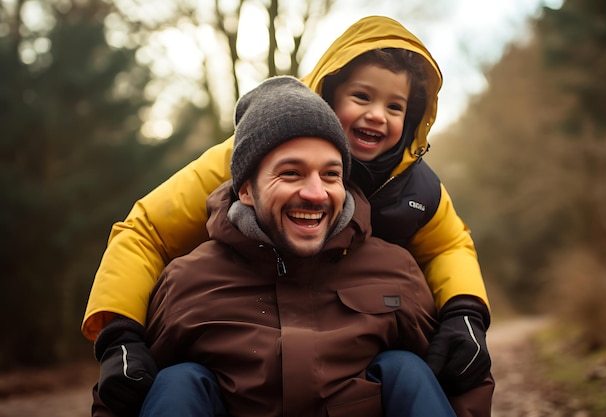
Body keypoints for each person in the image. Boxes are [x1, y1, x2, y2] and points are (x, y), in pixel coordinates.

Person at [85, 15, 493, 416]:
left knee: (406, 367)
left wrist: (465, 314)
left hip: (354, 342)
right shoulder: (248, 156)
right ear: (327, 96)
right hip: (256, 320)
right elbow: (146, 232)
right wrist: (120, 335)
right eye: (362, 97)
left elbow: (449, 245)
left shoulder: (416, 189)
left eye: (395, 106)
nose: (377, 115)